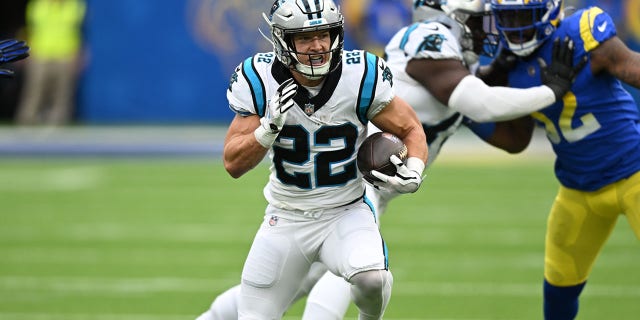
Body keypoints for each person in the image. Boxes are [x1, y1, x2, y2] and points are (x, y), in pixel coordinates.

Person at [196, 0, 583, 319]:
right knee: (314, 284)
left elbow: (501, 135)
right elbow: (478, 102)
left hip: (361, 192)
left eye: (324, 35)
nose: (489, 30)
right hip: (320, 195)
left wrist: (415, 165)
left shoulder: (384, 70)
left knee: (339, 279)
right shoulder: (428, 41)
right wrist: (551, 91)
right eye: (482, 21)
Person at [214, 0, 428, 319]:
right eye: (304, 37)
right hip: (287, 216)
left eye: (324, 34)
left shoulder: (359, 74)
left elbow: (410, 127)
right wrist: (267, 129)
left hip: (346, 211)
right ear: (283, 42)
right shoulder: (260, 78)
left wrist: (414, 169)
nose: (317, 45)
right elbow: (233, 164)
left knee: (373, 278)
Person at [484, 0, 640, 319]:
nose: (514, 27)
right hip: (578, 191)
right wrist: (467, 110)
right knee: (558, 290)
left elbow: (632, 69)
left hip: (634, 172)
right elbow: (516, 140)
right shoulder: (509, 66)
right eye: (507, 16)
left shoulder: (579, 33)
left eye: (522, 16)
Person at [15, 0, 86, 125]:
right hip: (40, 55)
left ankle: (58, 129)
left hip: (65, 55)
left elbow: (80, 31)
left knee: (62, 95)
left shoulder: (75, 5)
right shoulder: (37, 5)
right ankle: (26, 124)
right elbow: (27, 29)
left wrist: (79, 54)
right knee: (34, 92)